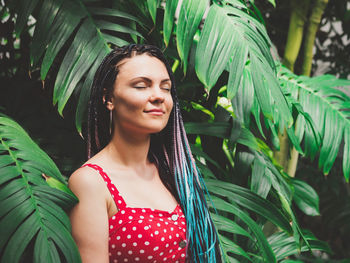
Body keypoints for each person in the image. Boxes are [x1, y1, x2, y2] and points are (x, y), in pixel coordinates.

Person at [69, 44, 221, 263]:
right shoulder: (90, 182)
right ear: (108, 99)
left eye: (166, 88)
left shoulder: (173, 173)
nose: (158, 96)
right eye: (141, 86)